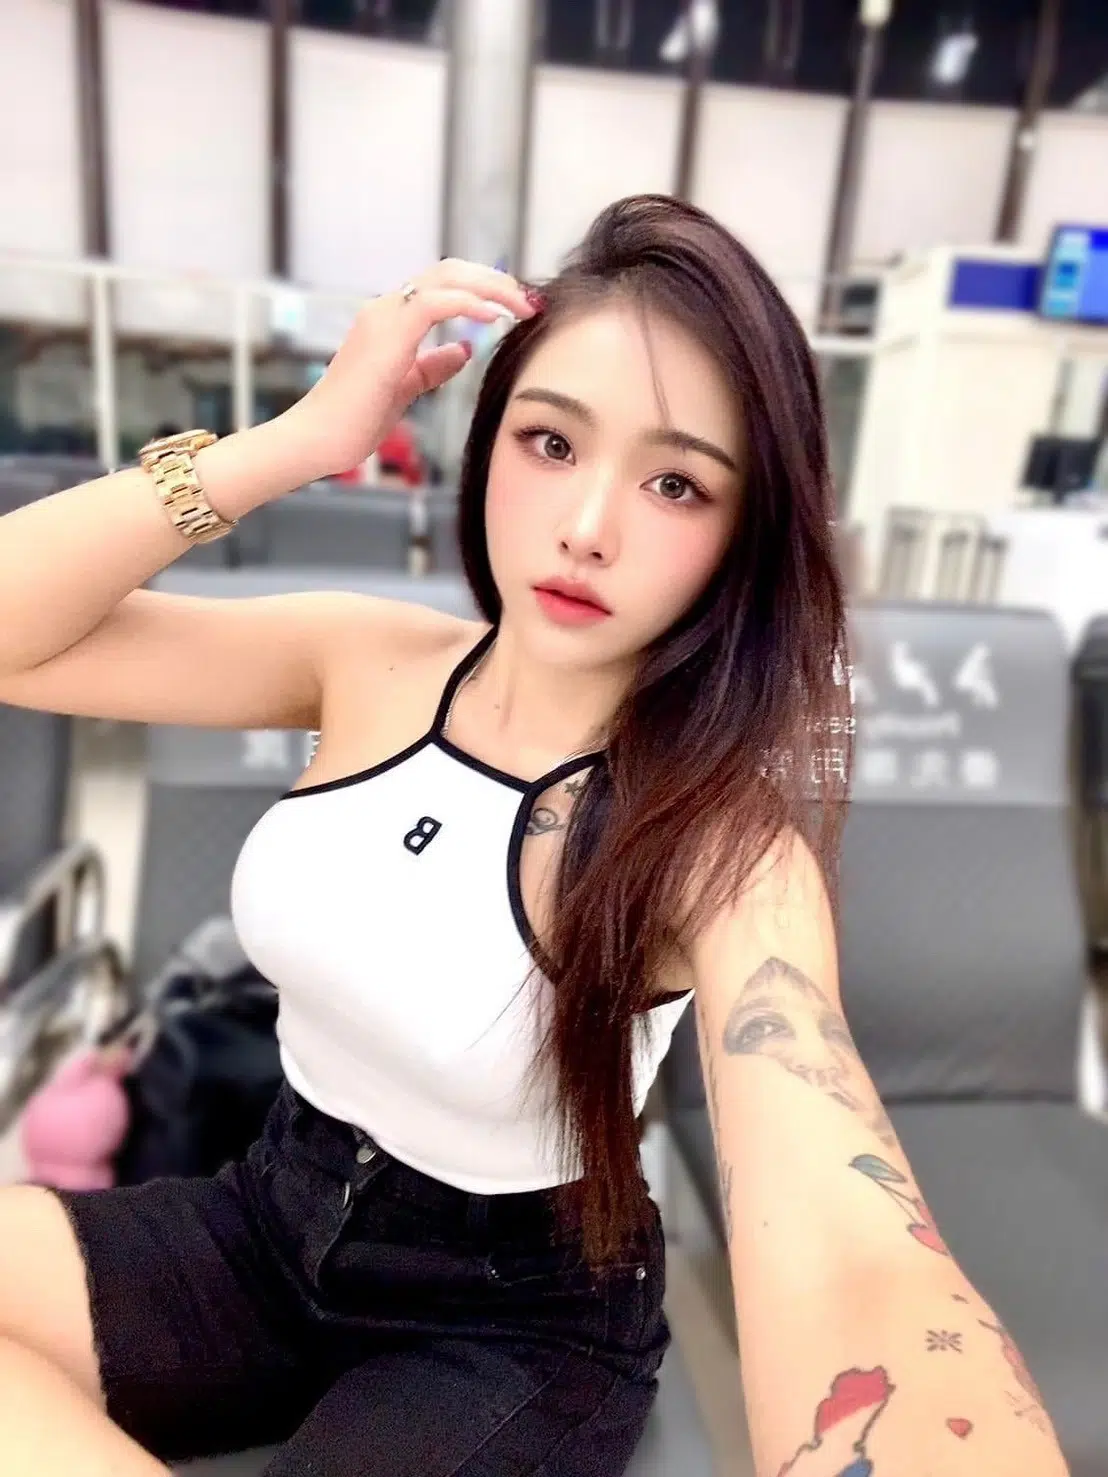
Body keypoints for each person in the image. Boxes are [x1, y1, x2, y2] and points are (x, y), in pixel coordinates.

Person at [0, 196, 1069, 1477]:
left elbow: (845, 1236)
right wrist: (294, 442)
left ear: (743, 537)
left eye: (675, 483)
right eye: (550, 441)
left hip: (512, 1328)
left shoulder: (718, 845)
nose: (586, 525)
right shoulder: (366, 658)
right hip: (266, 1221)